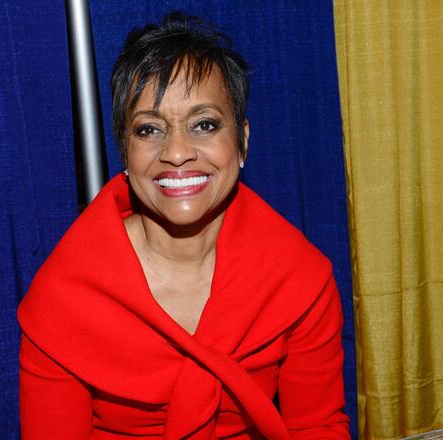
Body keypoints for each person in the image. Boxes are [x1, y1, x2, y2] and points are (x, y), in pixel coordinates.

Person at [18, 12, 349, 439]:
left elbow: (317, 427)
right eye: (149, 129)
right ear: (124, 152)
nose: (176, 152)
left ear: (243, 141)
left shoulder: (300, 279)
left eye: (204, 125)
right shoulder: (62, 298)